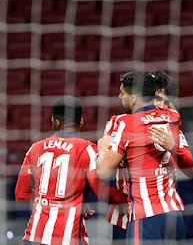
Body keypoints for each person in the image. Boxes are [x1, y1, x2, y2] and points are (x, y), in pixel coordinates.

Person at [15, 96, 127, 245]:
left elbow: (21, 195)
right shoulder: (87, 149)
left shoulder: (35, 148)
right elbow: (101, 191)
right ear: (81, 121)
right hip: (69, 239)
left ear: (55, 121)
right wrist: (128, 200)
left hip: (34, 238)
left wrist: (46, 206)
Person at [103, 71, 193, 244]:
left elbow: (102, 170)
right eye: (157, 99)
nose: (160, 105)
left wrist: (102, 149)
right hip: (129, 213)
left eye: (164, 101)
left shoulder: (126, 123)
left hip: (145, 212)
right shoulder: (171, 120)